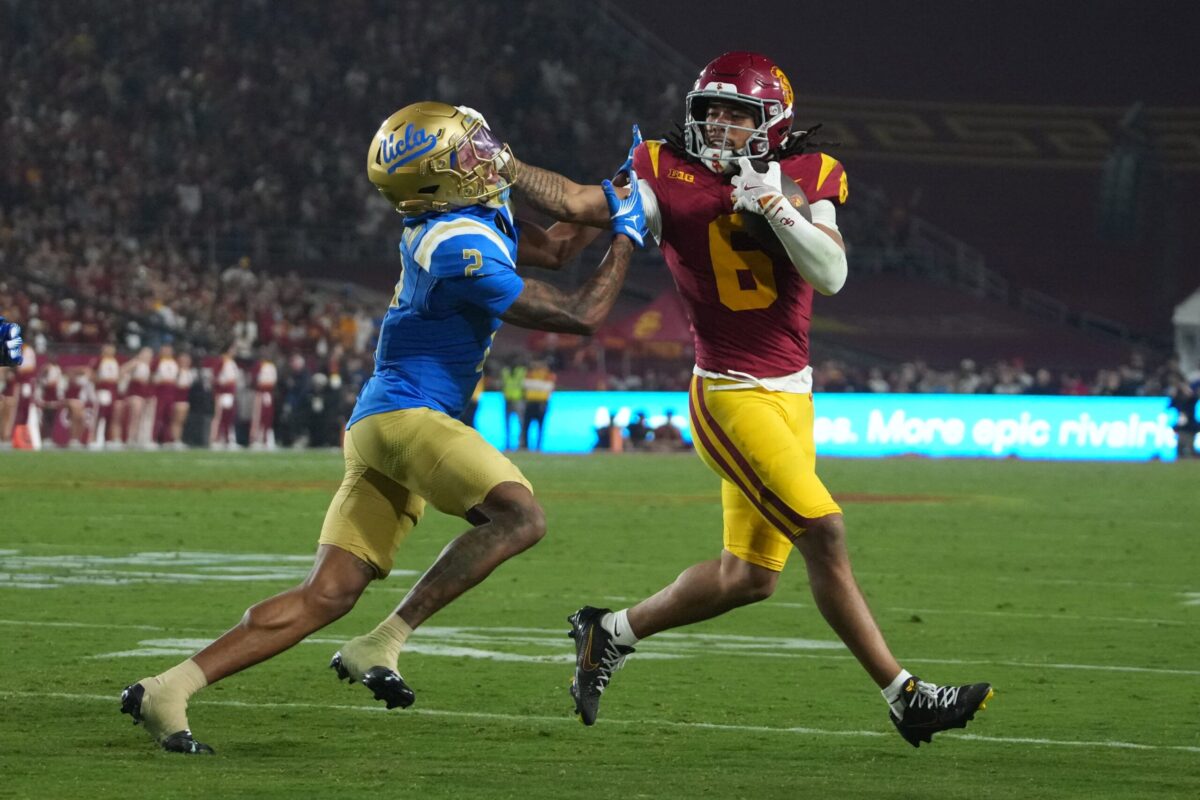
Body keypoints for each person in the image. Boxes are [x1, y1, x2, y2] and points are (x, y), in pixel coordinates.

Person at [119, 101, 647, 754]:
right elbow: (580, 313)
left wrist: (618, 191)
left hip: (383, 421)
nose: (484, 158)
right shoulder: (452, 244)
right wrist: (627, 235)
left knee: (327, 593)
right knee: (521, 516)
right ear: (438, 181)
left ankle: (169, 688)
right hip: (407, 417)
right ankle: (387, 638)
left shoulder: (472, 215)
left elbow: (562, 248)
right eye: (465, 154)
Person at [511, 52, 992, 747]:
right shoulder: (661, 170)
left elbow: (832, 273)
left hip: (794, 394)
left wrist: (773, 204)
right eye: (710, 111)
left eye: (736, 113)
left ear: (773, 123)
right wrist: (504, 168)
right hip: (730, 394)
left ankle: (609, 632)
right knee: (824, 530)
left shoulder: (809, 173)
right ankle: (904, 694)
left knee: (749, 578)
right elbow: (573, 209)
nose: (719, 125)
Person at [521, 359, 556, 451]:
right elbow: (525, 384)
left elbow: (549, 386)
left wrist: (534, 385)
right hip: (532, 402)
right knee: (527, 426)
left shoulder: (547, 374)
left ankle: (538, 446)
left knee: (540, 426)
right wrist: (541, 385)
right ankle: (526, 445)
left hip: (541, 403)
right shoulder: (531, 373)